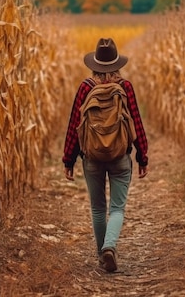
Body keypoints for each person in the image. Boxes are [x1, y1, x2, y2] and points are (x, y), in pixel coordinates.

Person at [62, 37, 149, 272]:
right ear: (116, 63)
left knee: (98, 208)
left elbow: (74, 125)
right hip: (120, 156)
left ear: (95, 64)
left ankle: (103, 256)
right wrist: (142, 156)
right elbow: (136, 123)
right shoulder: (125, 87)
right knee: (117, 209)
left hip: (91, 157)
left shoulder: (86, 87)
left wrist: (68, 159)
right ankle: (110, 247)